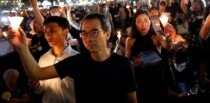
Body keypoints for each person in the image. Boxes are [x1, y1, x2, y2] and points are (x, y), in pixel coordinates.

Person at [7, 13, 138, 103]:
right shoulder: (77, 62)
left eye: (94, 32)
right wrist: (22, 48)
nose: (88, 38)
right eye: (84, 33)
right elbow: (36, 73)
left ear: (107, 34)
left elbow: (132, 99)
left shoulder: (123, 64)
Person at [125, 9, 172, 103]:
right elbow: (127, 63)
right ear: (135, 23)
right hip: (140, 82)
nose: (143, 24)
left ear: (150, 22)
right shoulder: (130, 40)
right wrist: (133, 62)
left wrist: (169, 37)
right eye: (139, 21)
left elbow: (168, 47)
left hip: (157, 80)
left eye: (146, 20)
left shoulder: (156, 37)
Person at [29, 16, 78, 103]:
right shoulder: (43, 59)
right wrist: (36, 86)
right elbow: (43, 89)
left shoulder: (76, 58)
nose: (47, 35)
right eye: (45, 32)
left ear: (65, 31)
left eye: (52, 31)